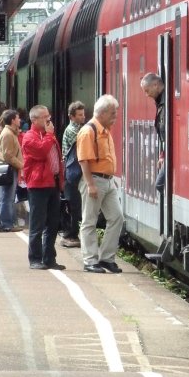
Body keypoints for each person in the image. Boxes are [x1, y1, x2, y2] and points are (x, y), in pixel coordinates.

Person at [77, 95, 123, 274]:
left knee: (117, 217)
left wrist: (112, 179)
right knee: (89, 220)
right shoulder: (89, 131)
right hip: (94, 180)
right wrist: (90, 184)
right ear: (103, 113)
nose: (115, 116)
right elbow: (84, 160)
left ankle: (106, 258)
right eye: (113, 113)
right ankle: (90, 260)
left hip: (108, 181)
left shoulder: (105, 129)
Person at [22, 105, 65, 270]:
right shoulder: (30, 137)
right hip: (38, 184)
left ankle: (49, 258)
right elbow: (41, 152)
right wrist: (49, 135)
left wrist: (61, 180)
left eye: (49, 115)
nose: (49, 119)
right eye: (44, 116)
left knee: (53, 223)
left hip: (52, 183)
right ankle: (35, 258)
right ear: (34, 119)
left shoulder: (49, 136)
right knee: (37, 223)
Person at [60, 100, 86, 248]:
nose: (83, 117)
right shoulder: (73, 130)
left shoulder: (78, 128)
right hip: (72, 172)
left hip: (72, 172)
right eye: (80, 115)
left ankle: (72, 233)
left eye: (83, 114)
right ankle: (70, 234)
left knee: (75, 204)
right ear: (72, 116)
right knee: (73, 204)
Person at [0, 109, 24, 232]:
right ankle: (6, 223)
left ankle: (8, 222)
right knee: (7, 197)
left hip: (10, 168)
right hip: (8, 168)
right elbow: (8, 155)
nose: (20, 120)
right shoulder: (8, 134)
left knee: (7, 197)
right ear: (13, 120)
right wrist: (21, 165)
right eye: (18, 118)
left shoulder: (11, 132)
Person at [140, 74, 166, 198]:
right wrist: (162, 154)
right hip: (167, 153)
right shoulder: (161, 101)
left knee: (160, 184)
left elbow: (165, 131)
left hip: (170, 154)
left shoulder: (164, 102)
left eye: (147, 90)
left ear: (155, 85)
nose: (147, 95)